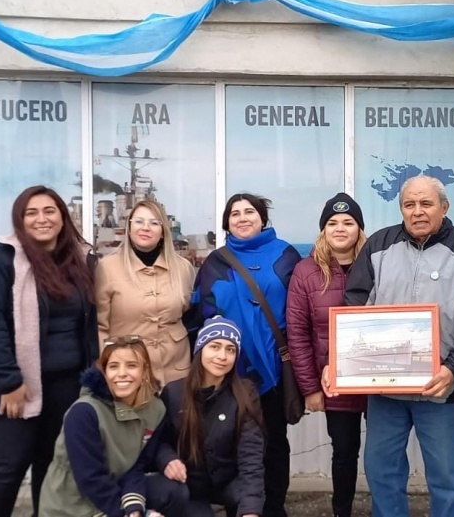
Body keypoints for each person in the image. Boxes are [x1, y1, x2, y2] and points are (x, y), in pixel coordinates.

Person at [340, 175, 454, 517]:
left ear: (444, 207)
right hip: (386, 393)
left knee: (447, 479)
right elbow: (354, 308)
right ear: (401, 209)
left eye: (426, 204)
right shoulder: (378, 246)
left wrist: (453, 369)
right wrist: (348, 361)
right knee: (382, 473)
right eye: (409, 204)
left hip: (441, 389)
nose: (417, 212)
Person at [0, 185, 99, 517]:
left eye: (50, 211)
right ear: (20, 220)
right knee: (10, 465)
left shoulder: (80, 261)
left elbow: (89, 324)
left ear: (62, 217)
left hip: (68, 384)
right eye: (32, 213)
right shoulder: (0, 261)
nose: (42, 219)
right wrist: (9, 382)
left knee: (53, 463)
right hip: (16, 386)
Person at [190, 193, 301, 517]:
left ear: (262, 219)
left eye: (249, 212)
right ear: (226, 222)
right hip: (227, 371)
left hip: (274, 372)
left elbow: (299, 310)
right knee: (234, 442)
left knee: (275, 443)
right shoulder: (215, 262)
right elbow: (201, 313)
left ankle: (274, 507)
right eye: (234, 213)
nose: (242, 218)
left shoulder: (286, 256)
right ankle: (243, 505)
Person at [286, 193, 367, 517]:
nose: (340, 228)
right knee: (344, 452)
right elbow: (298, 334)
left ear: (359, 229)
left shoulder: (376, 264)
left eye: (348, 222)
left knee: (383, 453)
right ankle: (342, 511)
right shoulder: (306, 272)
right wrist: (310, 388)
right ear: (323, 230)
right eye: (332, 223)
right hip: (334, 383)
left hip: (380, 380)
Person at [39, 336, 175, 517]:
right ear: (104, 372)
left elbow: (137, 465)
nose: (122, 373)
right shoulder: (84, 412)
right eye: (113, 366)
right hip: (72, 505)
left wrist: (134, 509)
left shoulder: (155, 410)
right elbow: (90, 478)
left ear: (145, 371)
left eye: (132, 365)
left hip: (115, 489)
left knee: (173, 491)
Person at [150, 316, 265, 517]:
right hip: (190, 486)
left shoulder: (245, 393)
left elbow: (251, 453)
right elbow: (159, 441)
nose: (222, 356)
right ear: (200, 349)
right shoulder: (175, 392)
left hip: (229, 482)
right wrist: (167, 460)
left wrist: (251, 511)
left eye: (230, 349)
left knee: (250, 498)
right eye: (215, 346)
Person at [96, 199, 196, 385]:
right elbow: (101, 326)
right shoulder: (107, 268)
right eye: (139, 221)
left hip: (176, 370)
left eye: (154, 223)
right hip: (128, 373)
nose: (146, 228)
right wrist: (107, 368)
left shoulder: (183, 268)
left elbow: (189, 314)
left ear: (163, 230)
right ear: (129, 227)